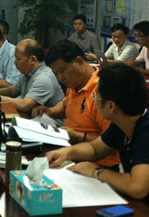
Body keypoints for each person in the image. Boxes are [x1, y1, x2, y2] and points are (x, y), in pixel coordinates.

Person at [46, 63, 149, 217]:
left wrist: (96, 171)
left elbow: (137, 187)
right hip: (146, 208)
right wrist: (67, 152)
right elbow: (95, 149)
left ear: (111, 106)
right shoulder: (124, 121)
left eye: (95, 96)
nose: (94, 100)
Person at [32, 39, 119, 167]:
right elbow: (66, 105)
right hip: (69, 152)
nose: (60, 78)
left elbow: (113, 144)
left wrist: (77, 136)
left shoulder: (102, 92)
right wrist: (50, 111)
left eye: (62, 71)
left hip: (96, 164)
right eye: (56, 73)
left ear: (79, 62)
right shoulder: (74, 83)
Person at [0, 39, 65, 117]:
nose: (15, 62)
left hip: (51, 122)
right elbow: (12, 91)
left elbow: (24, 105)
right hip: (33, 117)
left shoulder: (43, 78)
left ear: (32, 59)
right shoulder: (28, 73)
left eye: (18, 59)